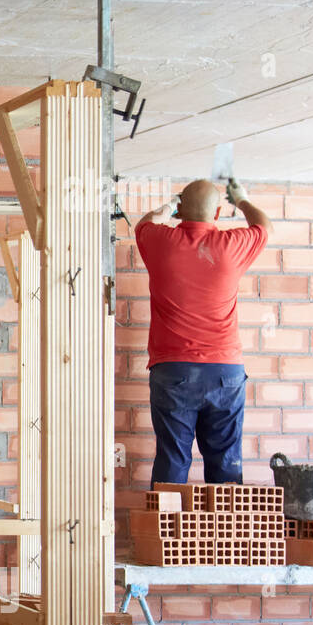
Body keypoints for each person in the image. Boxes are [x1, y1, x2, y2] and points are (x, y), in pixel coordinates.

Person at [134, 177, 272, 487]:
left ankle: (165, 535)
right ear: (219, 214)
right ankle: (226, 535)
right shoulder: (231, 246)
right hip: (225, 372)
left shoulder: (160, 241)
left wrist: (169, 206)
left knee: (172, 459)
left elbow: (145, 223)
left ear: (181, 213)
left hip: (174, 371)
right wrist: (244, 200)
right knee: (226, 462)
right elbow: (264, 226)